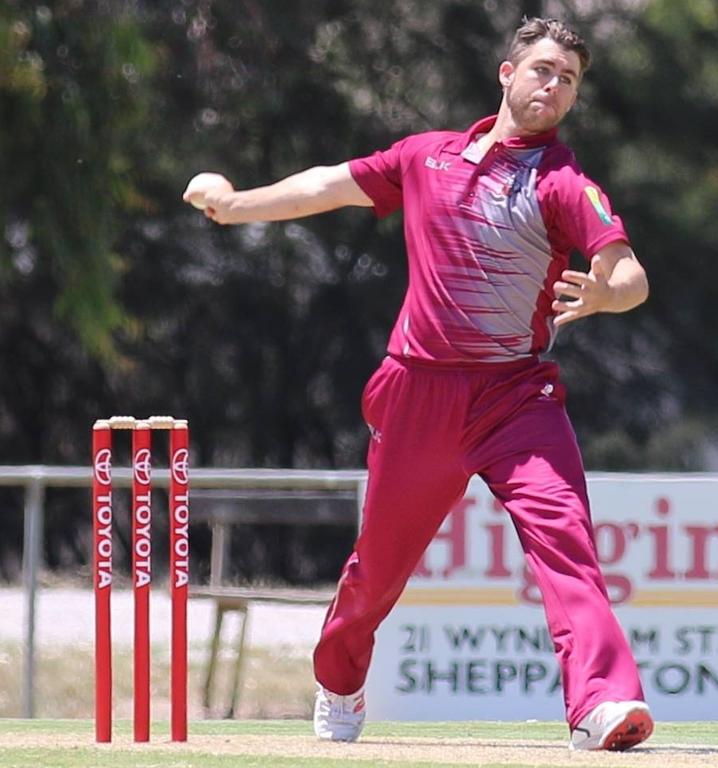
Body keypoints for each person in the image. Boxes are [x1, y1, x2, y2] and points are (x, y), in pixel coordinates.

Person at [183, 17, 652, 752]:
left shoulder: (563, 183)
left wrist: (604, 294)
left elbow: (628, 274)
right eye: (543, 69)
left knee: (566, 542)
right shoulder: (425, 156)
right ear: (507, 73)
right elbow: (328, 184)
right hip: (418, 392)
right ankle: (339, 681)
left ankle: (602, 704)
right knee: (378, 568)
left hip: (515, 396)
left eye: (569, 78)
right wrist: (237, 205)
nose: (554, 86)